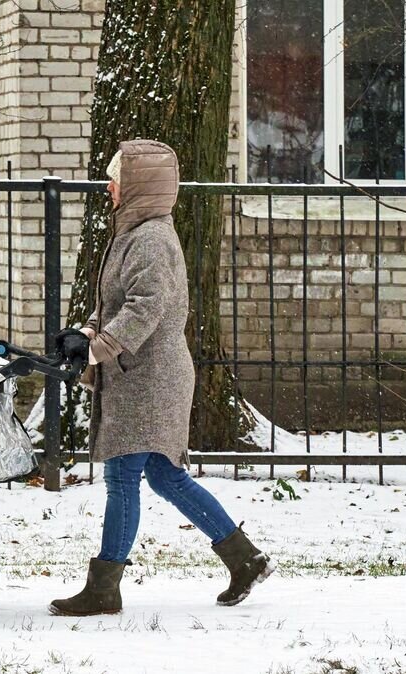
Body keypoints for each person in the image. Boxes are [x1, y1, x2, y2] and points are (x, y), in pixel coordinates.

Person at [48, 139, 274, 617]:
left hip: (150, 378)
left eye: (116, 179)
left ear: (138, 186)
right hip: (140, 373)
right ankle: (244, 559)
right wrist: (85, 333)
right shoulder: (133, 233)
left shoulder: (151, 238)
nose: (109, 187)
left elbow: (144, 309)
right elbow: (115, 304)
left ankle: (104, 589)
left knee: (122, 477)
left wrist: (96, 348)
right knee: (165, 476)